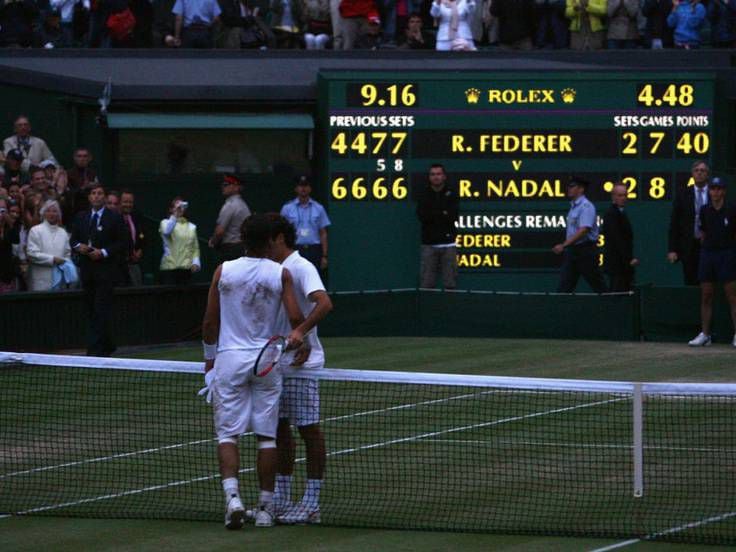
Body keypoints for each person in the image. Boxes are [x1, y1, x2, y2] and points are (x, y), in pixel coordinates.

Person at [200, 213, 322, 530]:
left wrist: (209, 360)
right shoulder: (280, 273)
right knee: (267, 437)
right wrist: (303, 340)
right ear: (270, 241)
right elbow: (296, 316)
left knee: (228, 435)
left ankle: (233, 500)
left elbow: (210, 323)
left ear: (242, 239)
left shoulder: (223, 270)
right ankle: (267, 508)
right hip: (266, 363)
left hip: (230, 360)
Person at [262, 214, 333, 525]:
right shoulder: (270, 269)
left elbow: (324, 303)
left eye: (265, 240)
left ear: (278, 238)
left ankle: (312, 502)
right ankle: (281, 498)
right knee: (278, 429)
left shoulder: (302, 267)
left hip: (302, 366)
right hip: (276, 363)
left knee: (308, 429)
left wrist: (300, 332)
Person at [69, 183, 127, 356]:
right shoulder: (81, 217)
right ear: (89, 197)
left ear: (105, 197)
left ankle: (95, 350)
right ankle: (106, 345)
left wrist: (103, 252)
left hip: (106, 271)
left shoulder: (114, 217)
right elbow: (73, 240)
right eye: (93, 193)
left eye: (100, 193)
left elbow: (122, 243)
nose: (96, 196)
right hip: (87, 271)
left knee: (102, 308)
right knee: (91, 309)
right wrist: (80, 247)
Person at [687, 177, 736, 347]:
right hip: (708, 255)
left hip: (727, 254)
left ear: (723, 191)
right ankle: (705, 334)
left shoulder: (731, 209)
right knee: (706, 295)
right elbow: (702, 233)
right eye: (713, 189)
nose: (715, 192)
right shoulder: (704, 210)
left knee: (732, 296)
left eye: (718, 189)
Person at [553, 177, 607, 293]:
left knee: (599, 286)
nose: (569, 189)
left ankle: (614, 307)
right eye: (569, 186)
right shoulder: (574, 207)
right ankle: (559, 310)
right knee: (564, 287)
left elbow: (584, 230)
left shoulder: (586, 207)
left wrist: (563, 245)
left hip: (586, 252)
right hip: (573, 251)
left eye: (572, 186)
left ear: (581, 189)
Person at [668, 160, 711, 286]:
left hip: (709, 245)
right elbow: (675, 223)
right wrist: (672, 249)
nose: (699, 173)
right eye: (696, 170)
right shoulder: (683, 194)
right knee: (690, 280)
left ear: (707, 174)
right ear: (692, 174)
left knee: (708, 281)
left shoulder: (714, 193)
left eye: (702, 171)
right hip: (688, 245)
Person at [416, 164, 458, 290]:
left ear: (444, 176)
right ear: (429, 177)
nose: (436, 177)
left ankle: (450, 309)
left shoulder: (452, 194)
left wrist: (434, 212)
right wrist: (442, 212)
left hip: (448, 244)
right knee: (427, 285)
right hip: (429, 245)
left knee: (450, 284)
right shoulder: (424, 194)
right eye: (433, 174)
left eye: (438, 174)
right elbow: (422, 216)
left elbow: (453, 215)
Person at [279, 175, 330, 275]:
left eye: (306, 186)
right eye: (300, 186)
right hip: (294, 249)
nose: (303, 188)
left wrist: (324, 256)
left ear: (310, 188)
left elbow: (323, 233)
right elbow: (281, 232)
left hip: (314, 250)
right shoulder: (287, 208)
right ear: (296, 188)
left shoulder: (318, 208)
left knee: (313, 277)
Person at [26, 200, 73, 291]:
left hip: (60, 280)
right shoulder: (35, 230)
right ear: (43, 214)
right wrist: (53, 259)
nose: (51, 214)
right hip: (40, 281)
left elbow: (67, 254)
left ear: (59, 214)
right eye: (48, 211)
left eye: (55, 211)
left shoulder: (63, 232)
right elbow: (32, 254)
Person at [601, 183, 639, 292]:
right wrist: (629, 259)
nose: (623, 198)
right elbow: (617, 240)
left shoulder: (621, 213)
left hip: (623, 266)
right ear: (613, 196)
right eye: (620, 195)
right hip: (617, 265)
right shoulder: (611, 214)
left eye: (625, 195)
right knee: (617, 296)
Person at [210, 174, 251, 263]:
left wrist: (213, 241)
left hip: (231, 250)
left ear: (236, 187)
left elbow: (219, 232)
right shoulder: (243, 205)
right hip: (242, 249)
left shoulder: (230, 205)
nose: (223, 187)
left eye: (227, 185)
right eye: (223, 185)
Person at [160, 197, 201, 285]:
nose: (180, 208)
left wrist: (196, 263)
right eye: (177, 206)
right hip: (169, 270)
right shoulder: (164, 223)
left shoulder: (192, 227)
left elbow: (195, 248)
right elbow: (167, 231)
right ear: (171, 209)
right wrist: (175, 215)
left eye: (182, 206)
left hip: (186, 270)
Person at [120, 190, 146, 286]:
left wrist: (140, 250)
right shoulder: (115, 219)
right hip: (120, 265)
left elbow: (143, 236)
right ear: (120, 202)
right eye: (125, 202)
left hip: (134, 263)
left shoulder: (137, 217)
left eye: (130, 202)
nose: (128, 205)